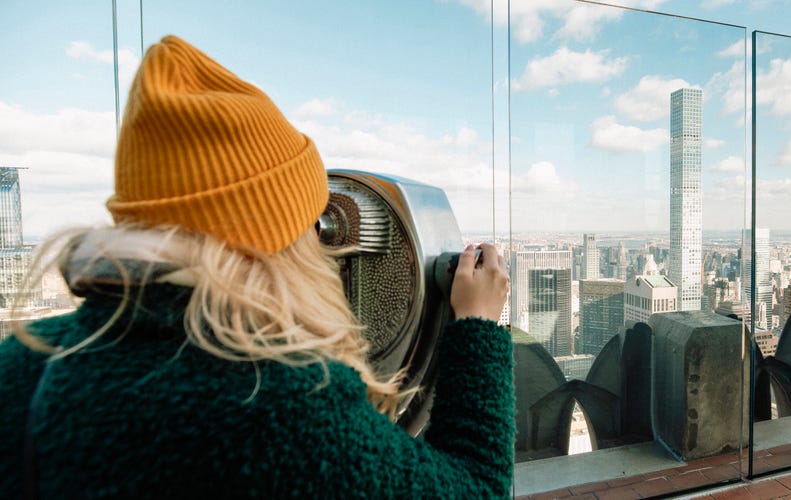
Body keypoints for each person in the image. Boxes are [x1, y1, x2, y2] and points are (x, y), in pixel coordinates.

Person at [0, 35, 513, 499]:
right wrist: (476, 328)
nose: (322, 243)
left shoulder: (25, 360)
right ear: (271, 234)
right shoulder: (277, 406)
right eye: (312, 220)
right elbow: (477, 488)